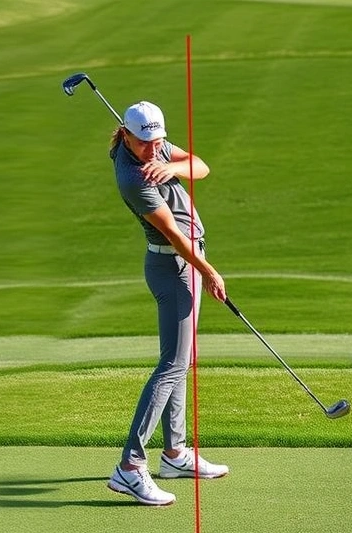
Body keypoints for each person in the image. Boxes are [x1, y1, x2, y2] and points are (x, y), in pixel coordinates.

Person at [105, 101, 230, 506]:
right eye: (145, 143)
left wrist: (172, 166)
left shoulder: (153, 146)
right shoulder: (131, 177)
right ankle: (129, 466)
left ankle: (174, 453)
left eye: (157, 141)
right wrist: (208, 271)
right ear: (127, 135)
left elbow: (200, 164)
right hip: (174, 266)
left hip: (184, 263)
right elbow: (175, 235)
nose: (152, 149)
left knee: (183, 361)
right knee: (172, 365)